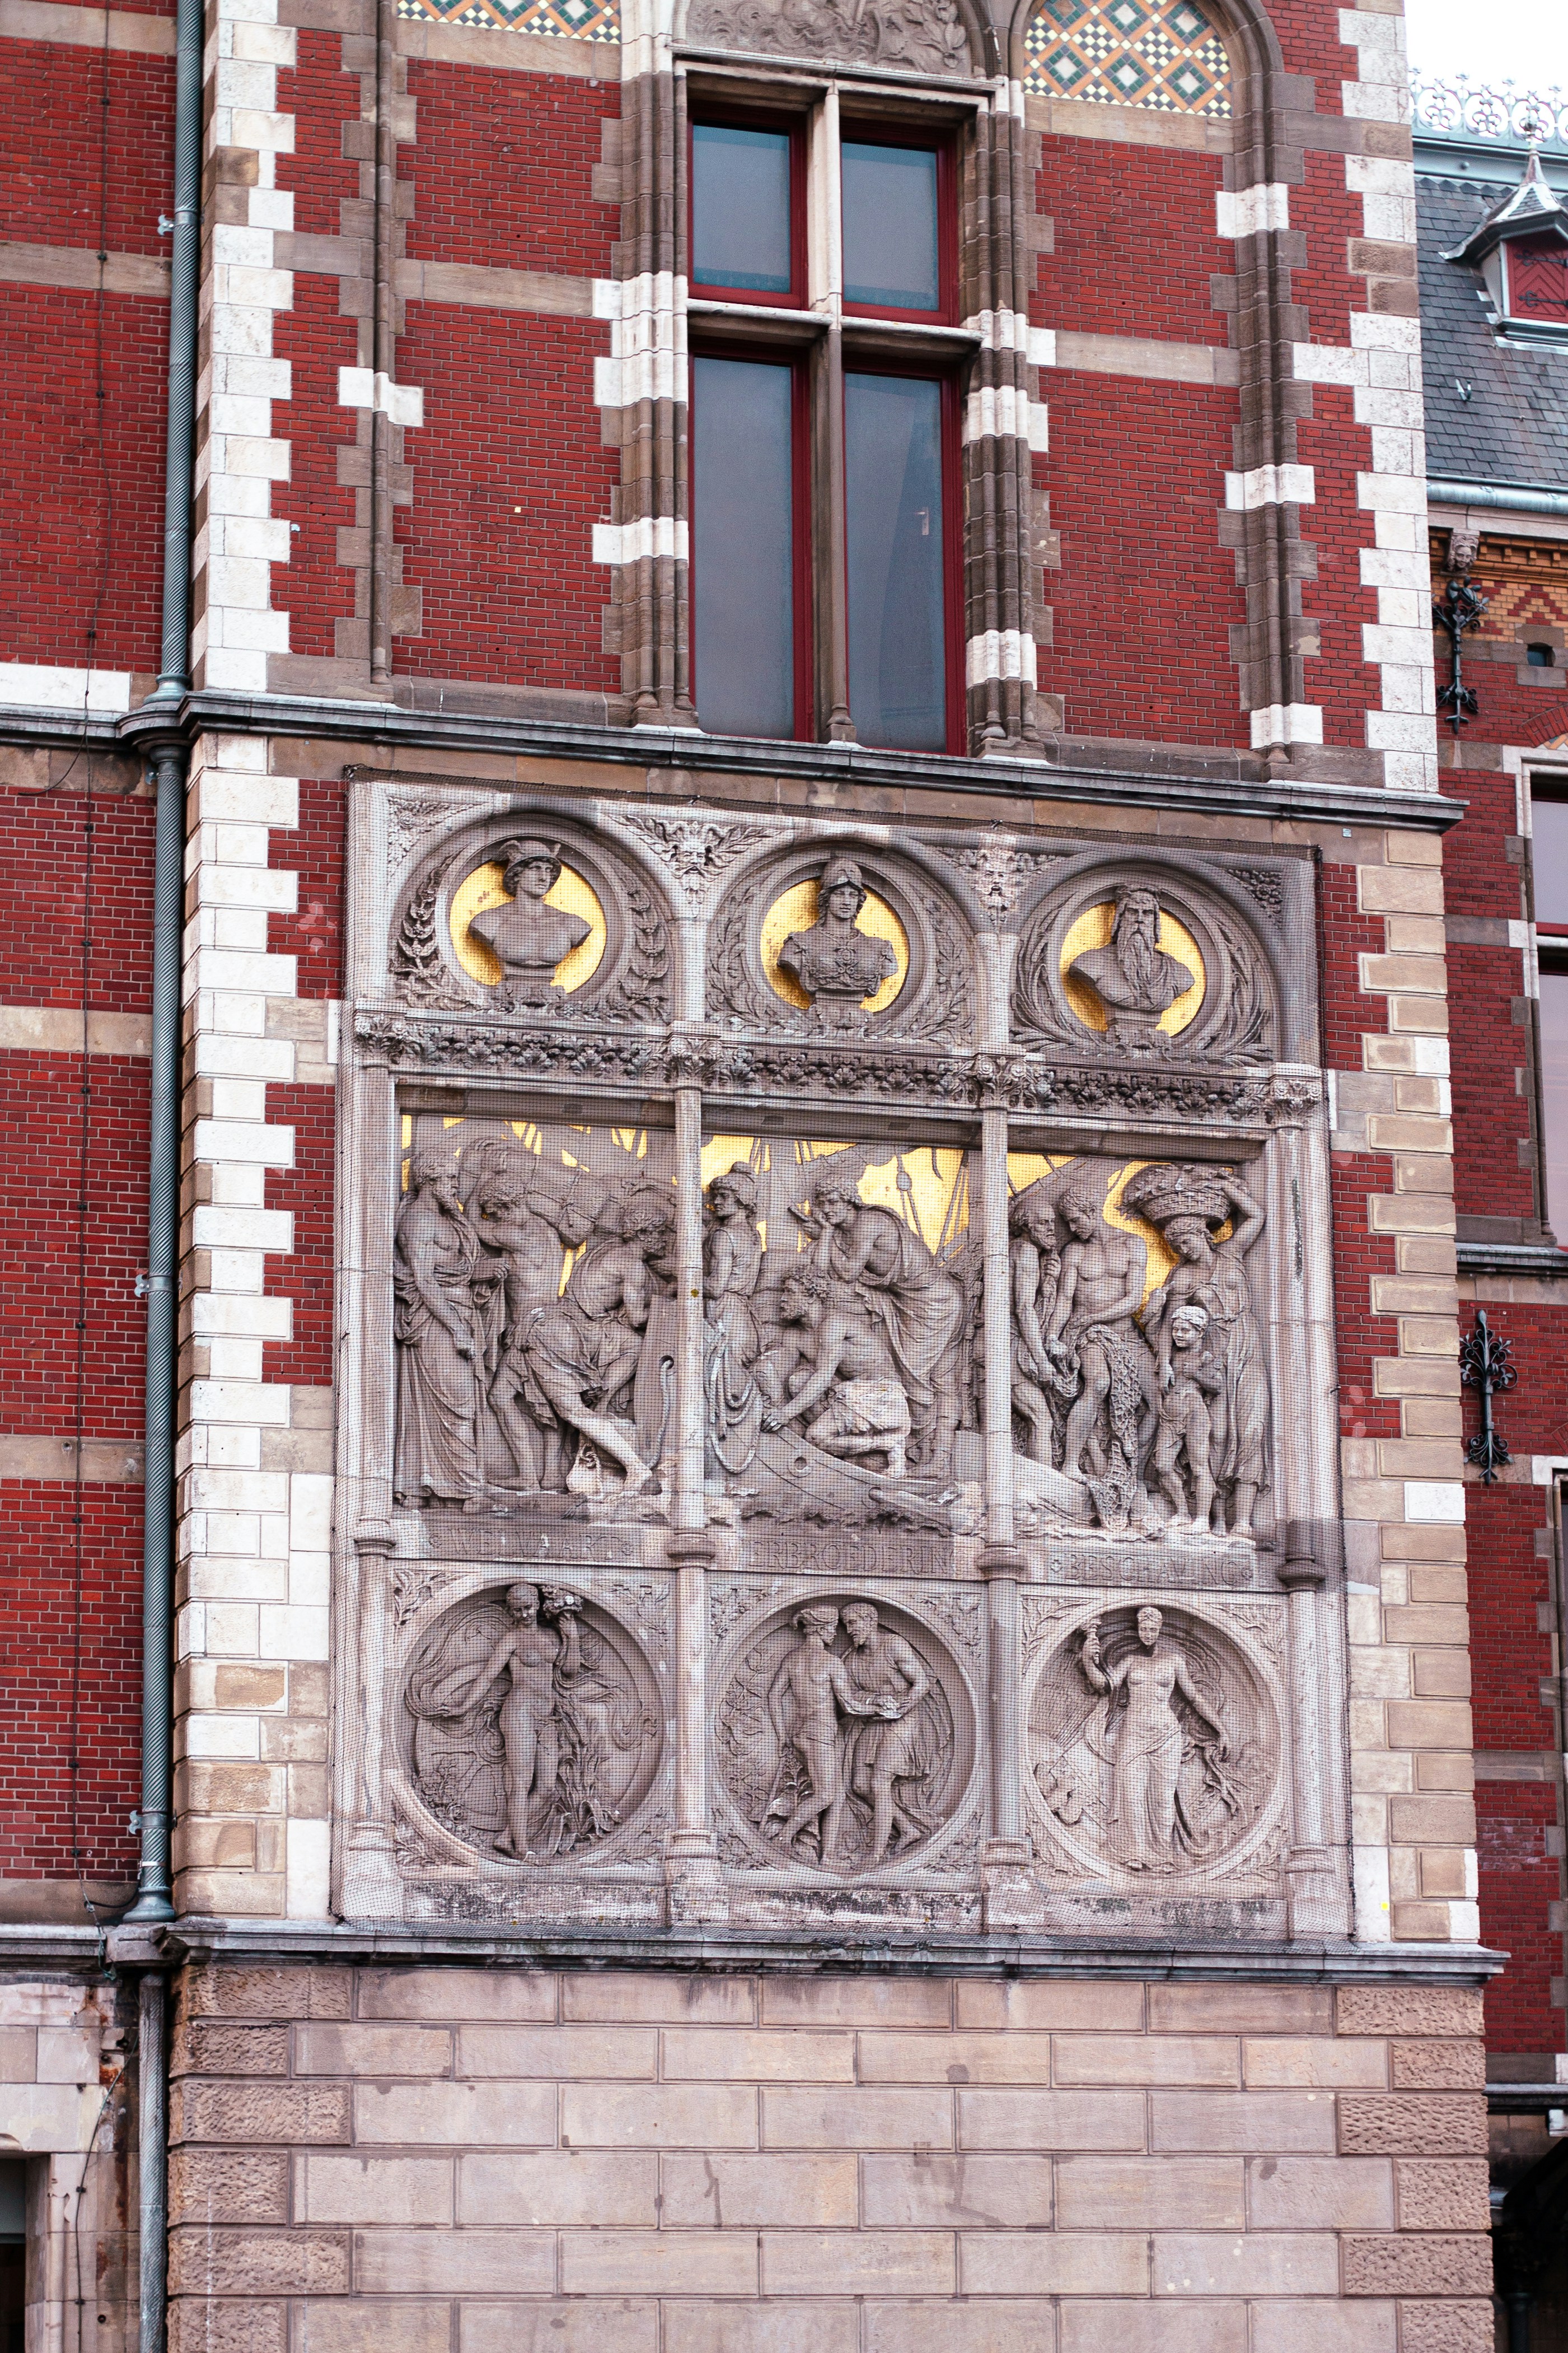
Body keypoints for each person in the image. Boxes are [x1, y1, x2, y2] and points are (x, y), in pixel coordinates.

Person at [792, 1156, 964, 1478]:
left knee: (916, 1380)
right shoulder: (852, 1233)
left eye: (833, 1202)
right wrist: (828, 1235)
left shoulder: (868, 1223)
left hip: (933, 1304)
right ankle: (926, 1456)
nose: (827, 1209)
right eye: (821, 1204)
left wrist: (826, 1235)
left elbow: (844, 1274)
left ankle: (928, 1456)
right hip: (907, 1304)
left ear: (851, 1200)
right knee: (930, 1379)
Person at [521, 1183, 675, 1497]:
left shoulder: (603, 1248)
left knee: (632, 1347)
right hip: (563, 1333)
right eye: (661, 1234)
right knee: (573, 1411)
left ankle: (602, 1404)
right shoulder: (633, 1266)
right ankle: (638, 1469)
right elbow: (638, 1319)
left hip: (562, 1322)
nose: (665, 1241)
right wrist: (670, 1292)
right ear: (643, 1234)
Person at [1140, 1171, 1270, 1540]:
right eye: (1176, 1246)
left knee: (1252, 1429)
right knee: (1216, 1437)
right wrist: (1164, 1361)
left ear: (1203, 1234)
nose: (1184, 1250)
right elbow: (1167, 1324)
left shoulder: (1231, 1252)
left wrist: (1225, 1186)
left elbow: (1256, 1217)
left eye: (1188, 1241)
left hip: (1245, 1347)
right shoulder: (1180, 1279)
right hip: (1210, 1355)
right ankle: (1211, 1517)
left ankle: (1243, 1520)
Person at [472, 1164, 604, 1491]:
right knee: (538, 1403)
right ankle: (541, 1476)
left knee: (517, 1400)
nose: (493, 1218)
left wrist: (479, 1179)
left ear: (505, 1207)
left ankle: (538, 1474)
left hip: (536, 1329)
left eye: (495, 1212)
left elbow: (474, 1226)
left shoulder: (513, 1233)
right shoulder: (546, 1227)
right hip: (549, 1323)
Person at [1077, 1607, 1229, 1869]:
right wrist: (1088, 1659)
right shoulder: (1130, 1662)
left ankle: (1163, 1855)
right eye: (1143, 1629)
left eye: (1152, 1629)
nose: (1147, 1634)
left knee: (1162, 1797)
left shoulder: (1173, 1660)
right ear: (1138, 1630)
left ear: (1159, 1630)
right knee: (1131, 1794)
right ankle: (1135, 1852)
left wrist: (1220, 1729)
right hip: (1134, 1734)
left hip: (1166, 1734)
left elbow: (1193, 1697)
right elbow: (1105, 1687)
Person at [1045, 1185, 1151, 1522]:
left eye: (1075, 1220)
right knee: (1099, 1384)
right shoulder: (1074, 1253)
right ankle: (1070, 1462)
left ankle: (1131, 1470)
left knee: (1160, 1401)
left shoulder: (1133, 1244)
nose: (1074, 1228)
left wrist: (1094, 1315)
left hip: (1125, 1334)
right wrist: (1052, 1335)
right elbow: (1064, 1302)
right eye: (1069, 1223)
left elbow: (1134, 1299)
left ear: (1091, 1211)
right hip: (1086, 1334)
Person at [393, 1151, 486, 1510]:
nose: (455, 1187)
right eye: (449, 1180)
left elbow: (451, 1270)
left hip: (458, 1312)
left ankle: (448, 1484)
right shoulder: (419, 1220)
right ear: (428, 1181)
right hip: (437, 1323)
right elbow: (425, 1280)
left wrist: (482, 1275)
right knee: (454, 1401)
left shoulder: (448, 1220)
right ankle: (459, 1487)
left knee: (464, 1402)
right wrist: (457, 1330)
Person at [759, 1264, 912, 1479]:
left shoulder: (834, 1324)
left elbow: (823, 1376)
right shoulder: (795, 1336)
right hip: (850, 1396)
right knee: (798, 1380)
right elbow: (782, 1372)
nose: (782, 1299)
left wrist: (784, 1414)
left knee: (815, 1437)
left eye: (790, 1292)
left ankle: (890, 1444)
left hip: (881, 1395)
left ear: (811, 1296)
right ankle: (844, 1450)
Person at [471, 1582, 581, 1859]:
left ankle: (507, 1837)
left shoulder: (552, 1637)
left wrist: (571, 1633)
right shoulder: (511, 1640)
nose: (524, 1615)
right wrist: (464, 1705)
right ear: (510, 1612)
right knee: (520, 1782)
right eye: (517, 1610)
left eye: (529, 1608)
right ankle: (522, 1849)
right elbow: (487, 1676)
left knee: (546, 1788)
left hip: (548, 1716)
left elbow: (570, 1671)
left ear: (538, 1606)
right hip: (519, 1710)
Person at [838, 1603, 939, 1865]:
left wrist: (904, 1704)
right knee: (860, 1785)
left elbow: (921, 1681)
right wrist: (873, 1700)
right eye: (846, 1624)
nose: (849, 1630)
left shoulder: (893, 1645)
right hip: (873, 1723)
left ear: (870, 1621)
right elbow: (848, 1697)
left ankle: (875, 1855)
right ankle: (908, 1830)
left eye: (853, 1623)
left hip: (902, 1722)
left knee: (880, 1784)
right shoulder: (852, 1659)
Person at [762, 1606, 856, 1861]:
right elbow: (850, 1705)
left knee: (836, 1794)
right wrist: (881, 1704)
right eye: (832, 1629)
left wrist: (782, 1735)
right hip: (822, 1734)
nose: (836, 1634)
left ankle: (827, 1858)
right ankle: (784, 1837)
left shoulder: (793, 1659)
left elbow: (773, 1696)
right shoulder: (831, 1663)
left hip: (801, 1733)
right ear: (820, 1629)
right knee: (826, 1795)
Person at [777, 854, 898, 1024]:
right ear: (826, 899)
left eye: (853, 895)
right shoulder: (799, 944)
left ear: (859, 901)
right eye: (839, 894)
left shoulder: (879, 948)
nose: (846, 902)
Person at [468, 837, 591, 1003]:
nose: (543, 877)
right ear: (517, 875)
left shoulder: (571, 924)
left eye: (548, 870)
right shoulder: (489, 921)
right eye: (535, 868)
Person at [703, 1163, 765, 1477]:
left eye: (726, 1196)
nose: (718, 1203)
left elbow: (714, 1287)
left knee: (712, 1386)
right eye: (717, 1196)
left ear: (742, 1200)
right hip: (744, 1316)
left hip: (725, 1314)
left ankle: (713, 1461)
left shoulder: (724, 1236)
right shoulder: (753, 1236)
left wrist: (682, 1277)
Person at [1150, 1302, 1223, 1534]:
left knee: (1199, 1465)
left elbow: (1218, 1385)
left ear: (1200, 1332)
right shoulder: (1168, 1355)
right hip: (1169, 1413)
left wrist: (1197, 1375)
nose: (1178, 1335)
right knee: (1162, 1464)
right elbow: (1155, 1330)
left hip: (1194, 1412)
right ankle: (1182, 1511)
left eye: (1185, 1331)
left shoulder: (1205, 1356)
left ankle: (1202, 1518)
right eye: (1176, 1330)